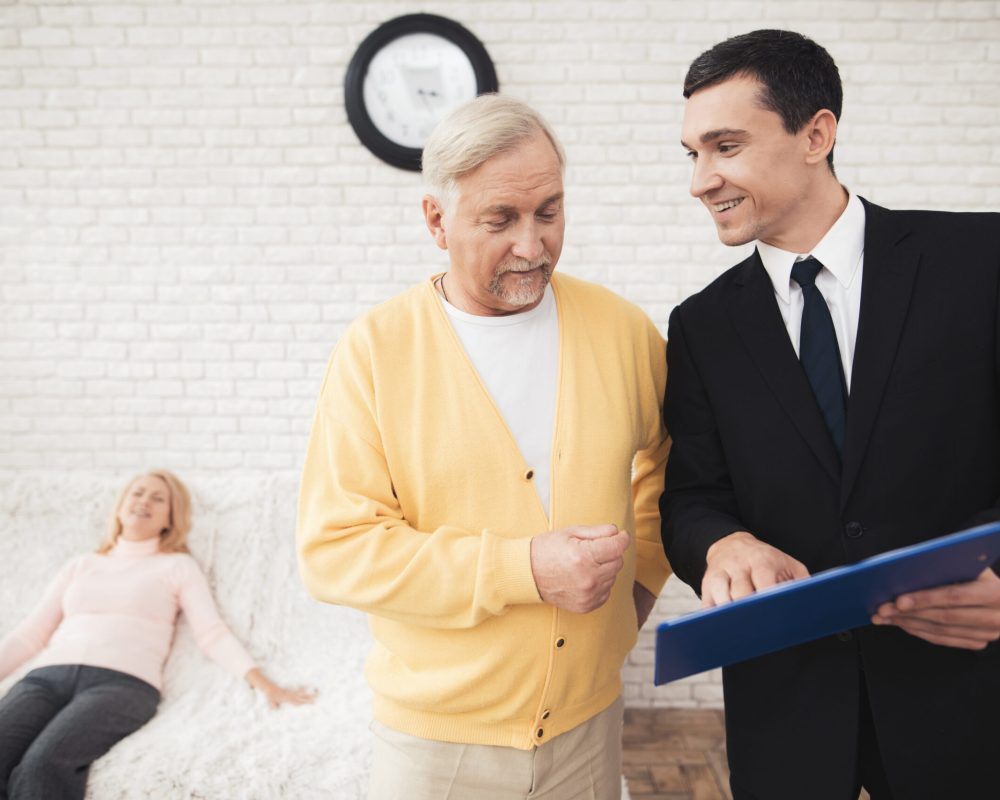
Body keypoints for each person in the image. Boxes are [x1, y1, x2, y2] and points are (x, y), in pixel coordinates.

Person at [297, 93, 671, 800]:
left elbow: (673, 460)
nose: (533, 246)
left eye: (549, 213)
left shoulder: (623, 330)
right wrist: (521, 568)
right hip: (435, 746)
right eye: (500, 219)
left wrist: (640, 578)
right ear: (437, 220)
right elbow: (334, 552)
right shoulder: (374, 351)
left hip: (590, 730)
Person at [660, 28, 1000, 800]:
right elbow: (691, 499)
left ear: (817, 134)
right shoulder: (702, 325)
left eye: (725, 146)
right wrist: (724, 543)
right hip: (787, 715)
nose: (700, 180)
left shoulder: (979, 262)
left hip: (969, 705)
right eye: (693, 154)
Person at [0, 470, 314, 800]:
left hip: (120, 686)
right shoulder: (82, 565)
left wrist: (265, 684)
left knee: (41, 766)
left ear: (169, 518)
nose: (144, 501)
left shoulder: (177, 566)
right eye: (137, 493)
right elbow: (30, 635)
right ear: (120, 506)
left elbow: (211, 633)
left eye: (158, 498)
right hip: (45, 679)